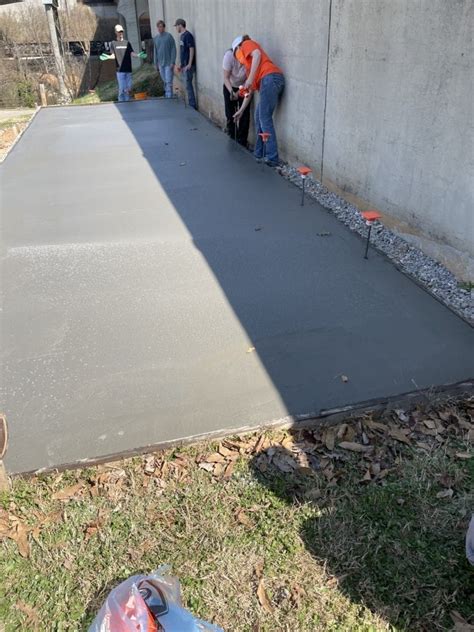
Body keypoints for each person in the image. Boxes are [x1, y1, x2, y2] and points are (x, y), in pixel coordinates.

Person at [232, 35, 285, 167]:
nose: (238, 58)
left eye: (236, 54)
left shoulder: (246, 44)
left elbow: (257, 54)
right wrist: (241, 110)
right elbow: (249, 93)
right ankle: (259, 153)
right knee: (258, 116)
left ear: (238, 47)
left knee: (264, 118)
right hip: (268, 82)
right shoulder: (251, 68)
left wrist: (249, 79)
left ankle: (272, 158)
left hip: (270, 78)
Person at [100, 25, 146, 102]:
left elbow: (132, 53)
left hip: (128, 69)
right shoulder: (113, 43)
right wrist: (108, 57)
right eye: (119, 31)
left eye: (121, 31)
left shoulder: (127, 43)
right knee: (122, 88)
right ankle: (121, 103)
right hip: (120, 70)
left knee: (128, 88)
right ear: (116, 32)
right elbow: (113, 55)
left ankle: (127, 102)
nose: (121, 33)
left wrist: (138, 55)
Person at [222, 46, 250, 147]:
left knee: (244, 115)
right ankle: (233, 138)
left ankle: (242, 142)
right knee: (230, 114)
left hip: (244, 87)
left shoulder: (249, 59)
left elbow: (249, 80)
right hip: (230, 86)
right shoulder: (229, 56)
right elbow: (225, 78)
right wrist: (232, 92)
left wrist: (240, 91)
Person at [174, 18, 197, 109]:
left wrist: (189, 63)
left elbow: (191, 49)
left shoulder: (188, 35)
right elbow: (182, 51)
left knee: (188, 85)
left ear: (180, 25)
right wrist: (180, 64)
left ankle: (192, 105)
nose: (176, 28)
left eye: (176, 26)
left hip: (188, 66)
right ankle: (190, 104)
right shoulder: (181, 36)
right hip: (184, 65)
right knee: (187, 86)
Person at [153, 20, 176, 99]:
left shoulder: (169, 36)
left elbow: (173, 49)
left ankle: (169, 97)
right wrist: (155, 63)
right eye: (158, 27)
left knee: (168, 80)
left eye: (161, 27)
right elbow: (155, 51)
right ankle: (168, 95)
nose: (159, 28)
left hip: (168, 63)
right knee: (165, 80)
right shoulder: (156, 38)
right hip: (160, 64)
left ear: (164, 27)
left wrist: (172, 62)